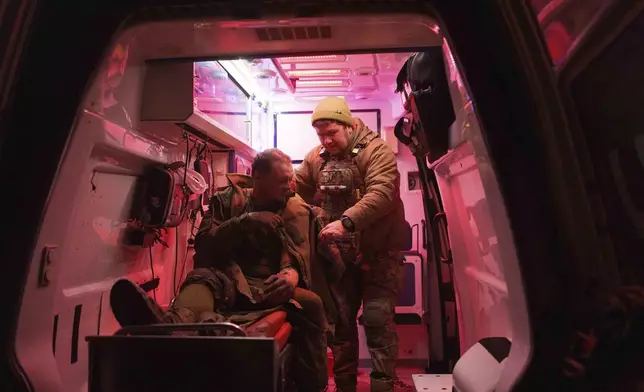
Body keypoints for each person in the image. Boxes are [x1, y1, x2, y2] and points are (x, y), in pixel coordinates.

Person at [109, 148, 328, 392]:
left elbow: (298, 251)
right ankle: (167, 328)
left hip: (270, 285)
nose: (289, 186)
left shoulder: (294, 209)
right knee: (200, 278)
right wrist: (243, 223)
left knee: (313, 304)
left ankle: (314, 386)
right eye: (282, 181)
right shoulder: (227, 202)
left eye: (290, 179)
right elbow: (204, 246)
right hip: (228, 278)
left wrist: (290, 276)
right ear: (257, 176)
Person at [295, 97, 410, 392]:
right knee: (340, 327)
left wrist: (347, 221)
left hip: (380, 253)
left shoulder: (376, 151)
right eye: (321, 135)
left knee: (376, 319)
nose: (326, 140)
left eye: (332, 132)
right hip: (340, 258)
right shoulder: (316, 159)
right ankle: (345, 386)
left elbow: (383, 192)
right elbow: (297, 190)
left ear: (349, 124)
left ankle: (383, 386)